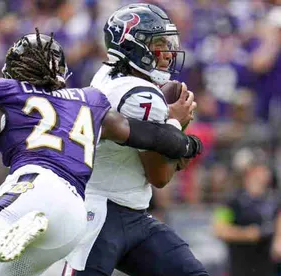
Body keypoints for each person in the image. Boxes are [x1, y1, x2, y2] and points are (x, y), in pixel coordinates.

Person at [0, 28, 202, 276]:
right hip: (72, 216)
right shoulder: (89, 102)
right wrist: (184, 137)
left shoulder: (8, 99)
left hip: (33, 190)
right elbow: (152, 138)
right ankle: (8, 242)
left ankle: (2, 240)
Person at [63, 4, 209, 276]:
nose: (167, 53)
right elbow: (160, 176)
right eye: (158, 44)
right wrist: (177, 126)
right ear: (133, 47)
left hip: (130, 213)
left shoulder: (107, 75)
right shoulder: (141, 96)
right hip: (100, 215)